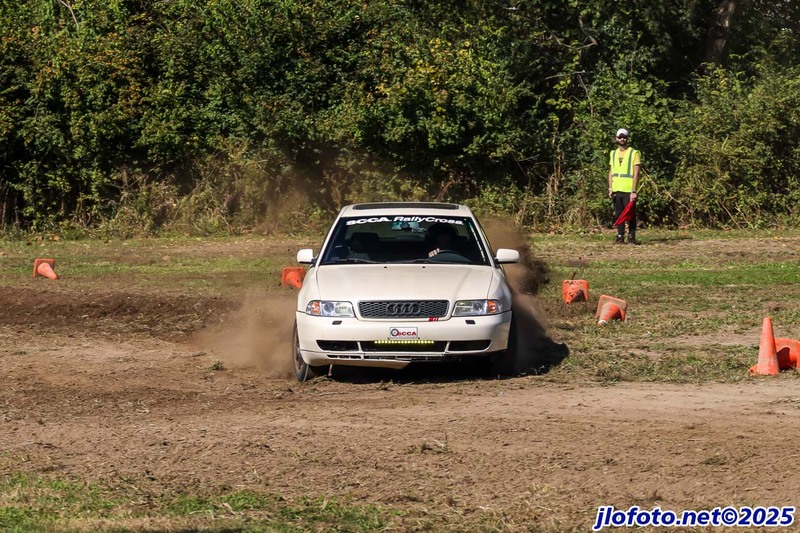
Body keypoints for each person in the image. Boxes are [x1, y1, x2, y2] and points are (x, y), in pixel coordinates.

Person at [608, 128, 641, 244]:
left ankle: (631, 236)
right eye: (620, 137)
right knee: (619, 214)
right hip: (617, 189)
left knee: (630, 214)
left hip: (628, 189)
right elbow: (611, 171)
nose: (622, 139)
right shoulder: (613, 153)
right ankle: (620, 236)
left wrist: (634, 190)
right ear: (616, 138)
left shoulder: (634, 153)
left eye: (624, 137)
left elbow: (636, 172)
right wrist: (610, 188)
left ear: (627, 138)